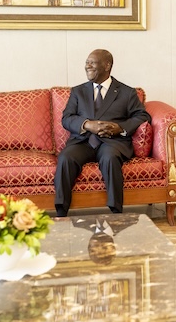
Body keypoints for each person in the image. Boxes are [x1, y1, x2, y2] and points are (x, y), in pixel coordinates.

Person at [55, 49, 150, 217]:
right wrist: (87, 124)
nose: (87, 66)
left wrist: (120, 128)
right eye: (86, 63)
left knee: (110, 158)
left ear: (107, 65)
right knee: (65, 158)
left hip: (112, 142)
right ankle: (61, 211)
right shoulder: (78, 91)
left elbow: (142, 116)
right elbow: (67, 118)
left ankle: (116, 212)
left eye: (92, 62)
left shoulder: (127, 92)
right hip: (83, 141)